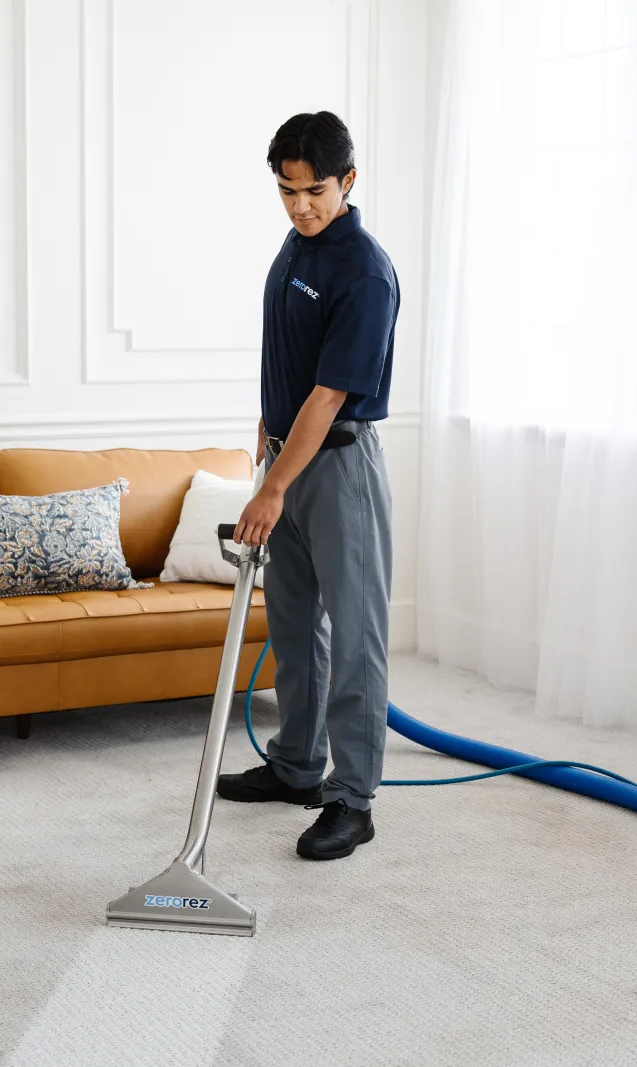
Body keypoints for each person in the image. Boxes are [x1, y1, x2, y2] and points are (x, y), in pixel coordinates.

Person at [217, 111, 398, 861]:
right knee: (294, 625)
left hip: (338, 466)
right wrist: (264, 435)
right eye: (287, 191)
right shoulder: (297, 244)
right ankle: (297, 764)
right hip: (287, 458)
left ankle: (352, 800)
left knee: (354, 636)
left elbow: (327, 395)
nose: (300, 205)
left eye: (315, 190)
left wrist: (271, 488)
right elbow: (284, 353)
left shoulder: (363, 268)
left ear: (348, 180)